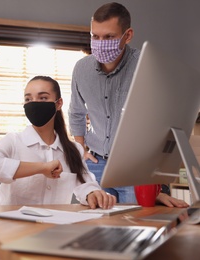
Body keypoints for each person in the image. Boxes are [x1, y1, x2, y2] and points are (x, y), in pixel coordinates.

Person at [69, 2, 188, 207]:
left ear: (128, 35)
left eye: (109, 37)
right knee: (98, 229)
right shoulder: (81, 69)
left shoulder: (148, 66)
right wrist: (81, 150)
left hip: (136, 168)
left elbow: (164, 120)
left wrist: (157, 175)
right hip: (95, 164)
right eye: (95, 36)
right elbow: (76, 113)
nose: (100, 43)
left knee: (136, 225)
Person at [0, 75, 116, 209]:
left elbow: (85, 184)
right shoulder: (13, 141)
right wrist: (41, 168)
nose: (34, 103)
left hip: (55, 226)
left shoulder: (74, 149)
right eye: (28, 99)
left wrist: (92, 194)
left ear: (58, 104)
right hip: (12, 226)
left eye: (43, 98)